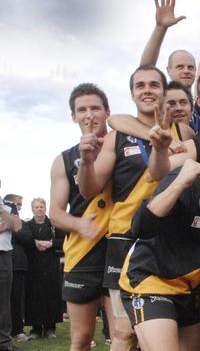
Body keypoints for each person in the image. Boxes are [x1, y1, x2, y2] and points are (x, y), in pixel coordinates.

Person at [119, 113, 200, 351]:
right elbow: (140, 227)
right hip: (151, 280)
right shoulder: (185, 176)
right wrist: (180, 183)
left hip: (188, 289)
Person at [77, 65, 184, 351]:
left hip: (168, 243)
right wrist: (86, 162)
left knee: (161, 336)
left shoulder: (182, 131)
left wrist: (162, 147)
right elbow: (89, 189)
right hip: (125, 242)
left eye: (154, 84)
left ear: (164, 92)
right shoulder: (117, 136)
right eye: (140, 86)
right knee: (123, 335)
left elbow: (166, 173)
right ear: (132, 93)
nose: (147, 90)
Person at [49, 83, 116, 351]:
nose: (89, 115)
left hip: (119, 251)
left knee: (123, 335)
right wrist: (79, 225)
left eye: (95, 108)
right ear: (74, 116)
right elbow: (55, 212)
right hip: (82, 254)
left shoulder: (125, 150)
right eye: (82, 110)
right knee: (81, 337)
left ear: (107, 112)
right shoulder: (63, 160)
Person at [23, 198, 64, 339]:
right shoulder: (27, 225)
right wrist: (36, 244)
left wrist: (50, 244)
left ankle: (50, 328)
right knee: (34, 296)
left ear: (45, 208)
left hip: (51, 265)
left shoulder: (53, 224)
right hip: (33, 265)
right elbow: (24, 241)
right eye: (36, 207)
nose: (39, 209)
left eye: (41, 206)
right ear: (32, 209)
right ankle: (35, 329)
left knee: (51, 295)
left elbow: (64, 241)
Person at [0, 180, 23, 351]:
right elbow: (7, 225)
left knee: (3, 301)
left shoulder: (9, 204)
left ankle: (4, 343)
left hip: (4, 255)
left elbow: (16, 226)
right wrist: (4, 225)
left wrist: (1, 210)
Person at [4, 194, 29, 343]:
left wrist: (11, 226)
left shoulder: (22, 222)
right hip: (6, 260)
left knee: (16, 299)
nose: (19, 207)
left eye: (20, 205)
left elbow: (25, 235)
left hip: (17, 264)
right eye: (18, 204)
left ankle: (17, 330)